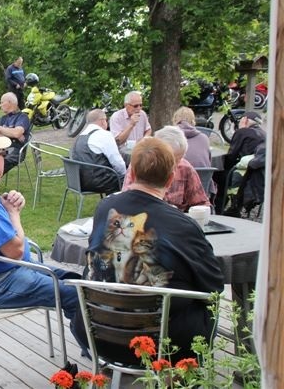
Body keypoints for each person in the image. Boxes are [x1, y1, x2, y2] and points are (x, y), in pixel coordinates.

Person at [76, 137, 224, 363]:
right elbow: (214, 286)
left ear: (133, 173)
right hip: (163, 345)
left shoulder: (105, 208)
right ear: (171, 178)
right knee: (206, 306)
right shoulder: (183, 225)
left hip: (98, 335)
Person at [0, 131, 79, 337]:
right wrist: (13, 213)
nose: (5, 157)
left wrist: (6, 207)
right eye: (4, 153)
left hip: (0, 274)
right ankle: (96, 351)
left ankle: (94, 344)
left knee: (76, 280)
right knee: (77, 295)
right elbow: (15, 252)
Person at [122, 126, 210, 212]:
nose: (173, 165)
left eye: (178, 159)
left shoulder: (185, 168)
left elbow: (202, 203)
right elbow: (127, 199)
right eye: (170, 160)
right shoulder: (140, 165)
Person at [71, 109, 126, 194]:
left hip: (80, 182)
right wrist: (125, 174)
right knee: (132, 179)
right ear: (102, 121)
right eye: (106, 120)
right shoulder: (104, 135)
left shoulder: (80, 137)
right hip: (100, 182)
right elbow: (117, 163)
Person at [0, 92, 31, 175]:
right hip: (0, 149)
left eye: (2, 102)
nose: (0, 105)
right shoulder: (2, 118)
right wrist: (12, 133)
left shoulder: (22, 117)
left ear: (9, 102)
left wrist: (1, 129)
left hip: (15, 152)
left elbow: (16, 133)